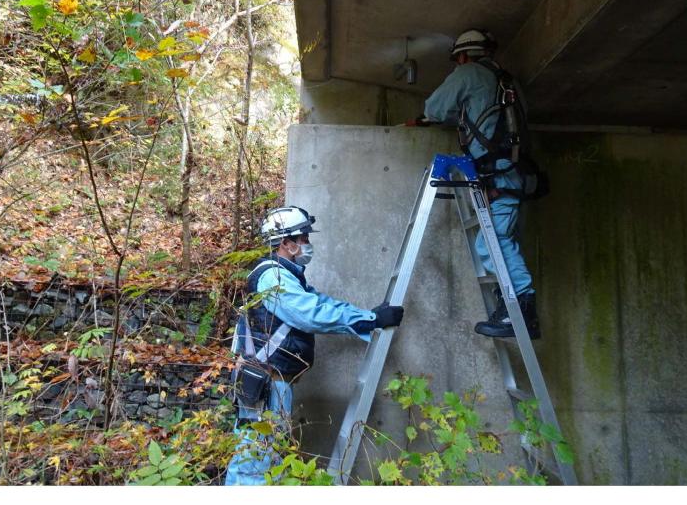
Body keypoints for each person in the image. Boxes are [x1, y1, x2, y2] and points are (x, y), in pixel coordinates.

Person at [224, 206, 404, 485]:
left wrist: (368, 316)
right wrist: (370, 321)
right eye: (304, 238)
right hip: (266, 381)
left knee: (263, 456)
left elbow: (320, 303)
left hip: (268, 380)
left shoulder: (287, 275)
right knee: (257, 461)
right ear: (287, 243)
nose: (308, 244)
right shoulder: (273, 277)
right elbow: (310, 314)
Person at [420, 28, 541, 339]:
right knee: (502, 240)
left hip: (496, 174)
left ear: (463, 56)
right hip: (510, 174)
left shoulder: (469, 73)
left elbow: (434, 109)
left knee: (492, 242)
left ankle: (522, 313)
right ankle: (510, 309)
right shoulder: (507, 82)